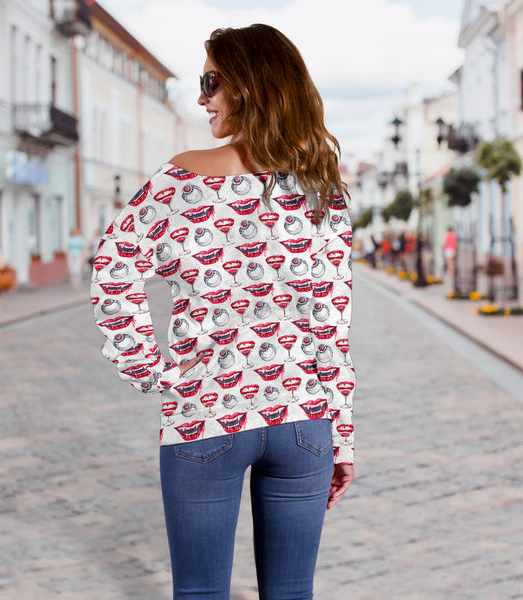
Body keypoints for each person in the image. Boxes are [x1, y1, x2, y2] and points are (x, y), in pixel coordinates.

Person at [92, 24, 355, 599]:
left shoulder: (181, 178)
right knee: (292, 593)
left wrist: (152, 370)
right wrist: (342, 436)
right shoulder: (322, 187)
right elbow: (332, 323)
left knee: (200, 593)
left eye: (211, 82)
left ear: (248, 84)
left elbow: (112, 267)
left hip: (205, 414)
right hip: (304, 422)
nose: (200, 97)